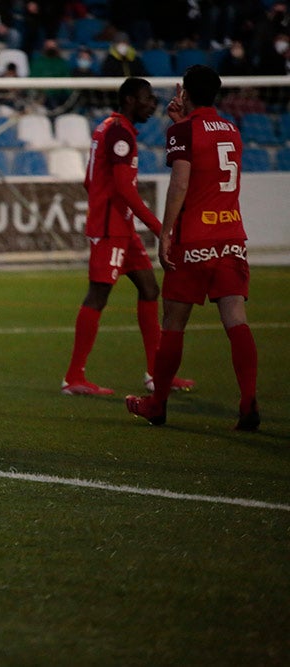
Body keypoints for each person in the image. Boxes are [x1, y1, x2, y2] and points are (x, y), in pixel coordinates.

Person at [126, 65, 260, 431]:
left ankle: (158, 404)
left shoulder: (183, 130)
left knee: (173, 322)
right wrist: (180, 122)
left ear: (186, 93)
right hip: (231, 235)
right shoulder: (232, 128)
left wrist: (166, 232)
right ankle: (248, 401)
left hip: (195, 239)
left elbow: (181, 182)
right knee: (235, 318)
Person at [61, 77, 195, 397]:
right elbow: (123, 189)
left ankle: (156, 372)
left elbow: (89, 180)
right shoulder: (119, 132)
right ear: (131, 100)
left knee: (149, 288)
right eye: (148, 99)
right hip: (110, 229)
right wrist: (159, 227)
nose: (153, 104)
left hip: (120, 227)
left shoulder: (107, 127)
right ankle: (74, 377)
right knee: (98, 295)